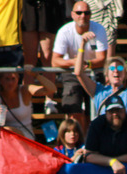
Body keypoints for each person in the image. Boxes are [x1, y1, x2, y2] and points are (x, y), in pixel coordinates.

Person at [50, 1, 108, 129]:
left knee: (94, 114)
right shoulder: (64, 31)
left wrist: (86, 64)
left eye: (86, 13)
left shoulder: (99, 29)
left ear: (90, 15)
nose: (83, 16)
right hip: (71, 73)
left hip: (93, 73)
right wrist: (75, 63)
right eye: (79, 13)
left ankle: (90, 144)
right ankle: (77, 145)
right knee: (73, 113)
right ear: (72, 14)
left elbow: (102, 59)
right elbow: (55, 61)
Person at [0, 66, 57, 157]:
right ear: (1, 80)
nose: (10, 82)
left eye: (13, 79)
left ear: (18, 79)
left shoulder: (25, 90)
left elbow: (52, 89)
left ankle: (15, 157)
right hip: (3, 134)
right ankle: (10, 158)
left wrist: (36, 75)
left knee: (8, 131)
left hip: (24, 134)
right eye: (7, 79)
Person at [83, 95, 127, 174]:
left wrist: (114, 161)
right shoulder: (97, 123)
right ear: (106, 113)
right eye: (111, 111)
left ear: (124, 111)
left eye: (118, 110)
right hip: (100, 172)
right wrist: (112, 162)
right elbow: (88, 156)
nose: (115, 114)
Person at [76, 52, 127, 119]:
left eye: (120, 67)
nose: (116, 70)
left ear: (125, 74)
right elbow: (78, 73)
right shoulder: (99, 91)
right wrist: (82, 46)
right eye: (112, 68)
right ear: (106, 74)